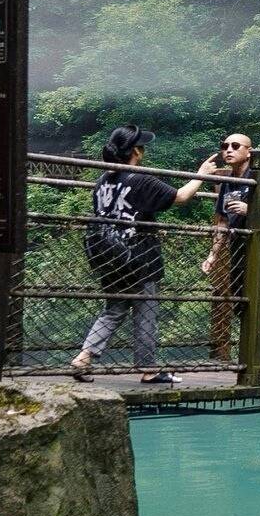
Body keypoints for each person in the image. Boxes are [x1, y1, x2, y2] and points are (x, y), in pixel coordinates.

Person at [73, 126, 216, 384]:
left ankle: (84, 357)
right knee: (146, 310)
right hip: (139, 256)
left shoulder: (103, 181)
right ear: (136, 152)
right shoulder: (139, 178)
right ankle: (148, 370)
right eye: (142, 147)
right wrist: (201, 175)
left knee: (114, 309)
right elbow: (181, 197)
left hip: (109, 257)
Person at [199, 132, 260, 374]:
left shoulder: (259, 175)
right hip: (239, 248)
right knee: (243, 302)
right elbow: (222, 222)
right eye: (225, 146)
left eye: (235, 146)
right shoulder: (229, 182)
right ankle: (250, 356)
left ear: (248, 152)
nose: (228, 150)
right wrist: (213, 255)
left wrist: (250, 208)